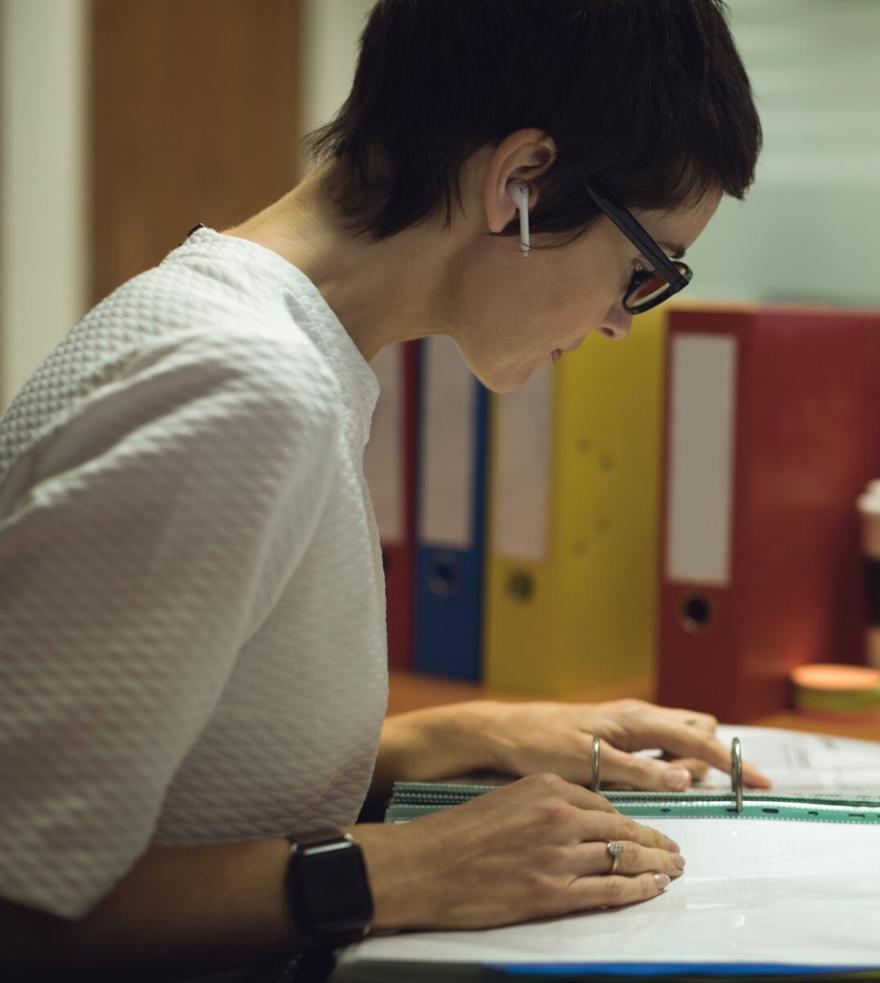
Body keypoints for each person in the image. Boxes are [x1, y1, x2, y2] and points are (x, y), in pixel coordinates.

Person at [0, 1, 767, 978]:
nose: (624, 320)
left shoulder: (254, 334)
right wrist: (403, 868)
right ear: (521, 179)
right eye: (644, 269)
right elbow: (21, 899)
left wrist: (450, 735)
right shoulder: (243, 385)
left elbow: (189, 769)